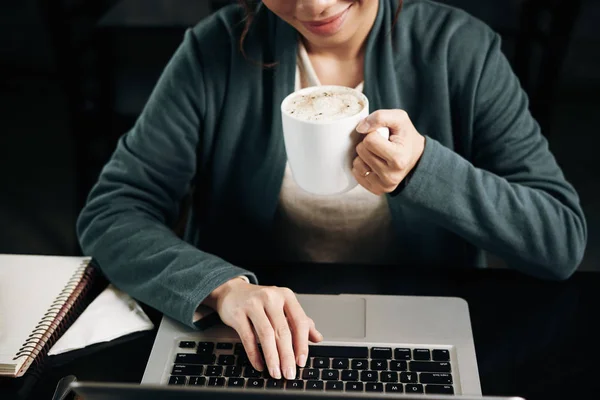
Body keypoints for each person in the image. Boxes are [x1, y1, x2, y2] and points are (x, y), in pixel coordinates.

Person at [77, 0, 587, 382]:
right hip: (251, 340)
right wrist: (223, 289)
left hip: (421, 324)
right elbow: (113, 210)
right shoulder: (214, 50)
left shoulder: (461, 49)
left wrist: (426, 171)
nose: (315, 5)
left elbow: (559, 241)